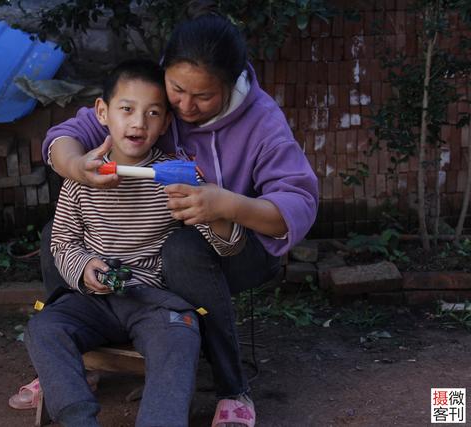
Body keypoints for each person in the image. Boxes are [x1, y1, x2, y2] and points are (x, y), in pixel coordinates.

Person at [37, 9, 319, 427]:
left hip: (238, 243)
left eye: (203, 97)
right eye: (177, 91)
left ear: (231, 83)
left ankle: (232, 387)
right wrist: (76, 168)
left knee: (182, 254)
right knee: (52, 245)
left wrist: (226, 205)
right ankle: (70, 365)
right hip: (137, 269)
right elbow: (69, 135)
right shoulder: (147, 105)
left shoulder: (262, 121)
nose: (185, 106)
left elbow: (297, 204)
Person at [24, 58, 246, 426]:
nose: (138, 122)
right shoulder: (82, 174)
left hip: (152, 301)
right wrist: (84, 267)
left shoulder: (174, 176)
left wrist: (215, 209)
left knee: (182, 333)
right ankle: (77, 418)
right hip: (93, 300)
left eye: (153, 113)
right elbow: (62, 241)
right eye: (127, 109)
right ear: (103, 112)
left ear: (165, 124)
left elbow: (227, 246)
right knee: (43, 327)